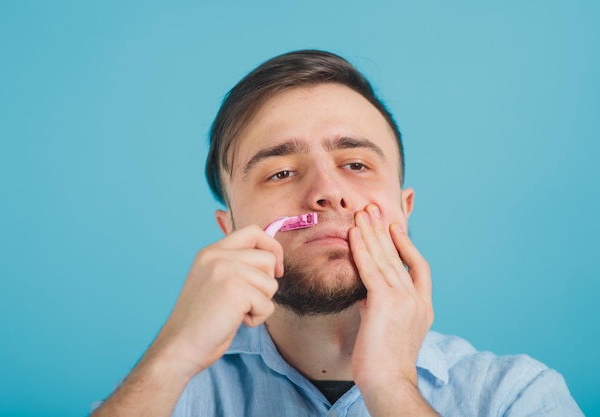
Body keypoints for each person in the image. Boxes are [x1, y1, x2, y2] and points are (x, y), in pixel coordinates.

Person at [91, 50, 582, 416]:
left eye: (355, 164)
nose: (328, 192)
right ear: (231, 229)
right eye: (281, 173)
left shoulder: (518, 395)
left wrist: (391, 386)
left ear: (403, 210)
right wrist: (169, 359)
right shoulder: (165, 394)